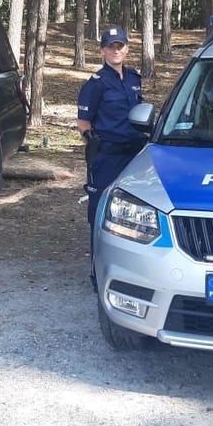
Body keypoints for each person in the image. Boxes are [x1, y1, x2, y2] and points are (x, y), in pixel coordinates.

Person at [77, 27, 148, 270]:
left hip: (135, 154)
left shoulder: (134, 79)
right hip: (107, 156)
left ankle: (132, 266)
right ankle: (98, 270)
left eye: (120, 46)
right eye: (111, 47)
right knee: (100, 210)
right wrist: (96, 145)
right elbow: (84, 124)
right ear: (103, 51)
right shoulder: (96, 84)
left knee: (135, 209)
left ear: (126, 49)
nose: (116, 51)